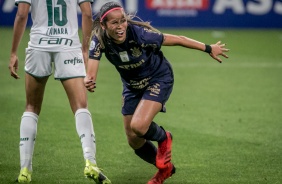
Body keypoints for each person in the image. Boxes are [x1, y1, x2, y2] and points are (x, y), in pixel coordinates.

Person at [85, 2, 229, 184]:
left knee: (138, 126)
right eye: (114, 23)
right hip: (131, 85)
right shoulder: (99, 40)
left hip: (158, 78)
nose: (120, 26)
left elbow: (178, 39)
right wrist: (89, 80)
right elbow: (91, 72)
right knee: (133, 140)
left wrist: (208, 48)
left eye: (123, 21)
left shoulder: (140, 34)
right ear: (104, 25)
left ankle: (164, 137)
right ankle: (165, 169)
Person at [8, 0, 111, 183]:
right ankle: (91, 162)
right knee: (81, 106)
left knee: (31, 107)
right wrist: (85, 49)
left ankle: (25, 169)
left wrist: (14, 52)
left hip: (39, 45)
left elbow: (22, 14)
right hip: (68, 45)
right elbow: (87, 14)